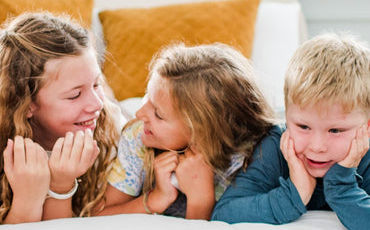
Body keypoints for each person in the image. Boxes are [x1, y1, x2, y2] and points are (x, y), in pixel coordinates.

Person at [212, 33, 370, 230]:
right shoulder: (277, 147)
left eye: (336, 130)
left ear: (369, 124)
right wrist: (294, 194)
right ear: (286, 114)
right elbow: (223, 214)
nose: (317, 147)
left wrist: (342, 187)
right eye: (303, 126)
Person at [0, 11, 119, 224]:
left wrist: (62, 185)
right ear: (26, 103)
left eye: (97, 84)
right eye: (74, 95)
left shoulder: (111, 133)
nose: (97, 104)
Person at [100, 43, 276, 220]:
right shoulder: (139, 136)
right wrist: (156, 199)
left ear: (201, 132)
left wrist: (200, 200)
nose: (140, 114)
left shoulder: (251, 162)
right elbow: (99, 217)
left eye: (158, 115)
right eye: (147, 96)